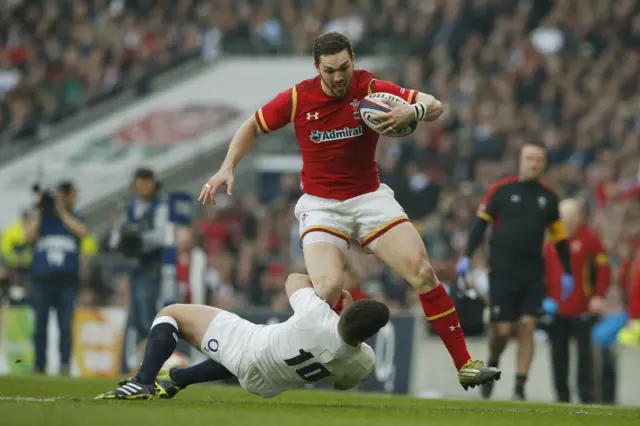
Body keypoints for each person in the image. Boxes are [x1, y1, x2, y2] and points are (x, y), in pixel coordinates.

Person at [199, 31, 500, 390]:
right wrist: (227, 166)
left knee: (422, 271)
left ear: (352, 61)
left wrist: (412, 109)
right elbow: (251, 126)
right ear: (317, 68)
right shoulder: (297, 98)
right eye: (330, 70)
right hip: (321, 206)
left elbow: (435, 105)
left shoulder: (370, 87)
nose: (339, 77)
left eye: (344, 67)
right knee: (326, 290)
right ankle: (305, 348)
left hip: (368, 197)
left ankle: (464, 364)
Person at [96, 273, 388, 400]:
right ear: (370, 335)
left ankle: (142, 382)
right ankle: (176, 381)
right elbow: (340, 385)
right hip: (268, 386)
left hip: (248, 349)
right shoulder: (364, 362)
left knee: (170, 313)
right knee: (240, 353)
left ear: (347, 312)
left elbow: (293, 281)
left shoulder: (317, 316)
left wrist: (334, 294)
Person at [457, 141, 575, 400]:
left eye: (538, 160)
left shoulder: (548, 197)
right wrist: (466, 256)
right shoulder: (500, 190)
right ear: (520, 160)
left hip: (533, 273)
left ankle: (520, 386)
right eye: (529, 158)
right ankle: (493, 359)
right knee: (501, 329)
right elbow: (480, 225)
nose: (534, 164)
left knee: (528, 325)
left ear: (544, 164)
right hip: (501, 271)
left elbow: (559, 238)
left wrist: (568, 271)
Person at [543, 198, 611, 403]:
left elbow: (604, 270)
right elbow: (543, 272)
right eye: (562, 217)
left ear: (578, 218)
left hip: (582, 307)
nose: (565, 221)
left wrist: (598, 295)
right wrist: (544, 298)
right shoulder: (551, 241)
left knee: (584, 355)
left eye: (569, 216)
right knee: (558, 354)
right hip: (556, 309)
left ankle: (585, 395)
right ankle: (561, 395)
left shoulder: (590, 239)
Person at [25, 181, 95, 375]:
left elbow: (83, 231)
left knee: (65, 325)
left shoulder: (76, 218)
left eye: (67, 194)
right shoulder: (42, 220)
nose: (63, 198)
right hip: (42, 280)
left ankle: (64, 364)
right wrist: (41, 210)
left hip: (67, 282)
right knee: (40, 325)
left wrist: (61, 211)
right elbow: (27, 236)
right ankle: (39, 364)